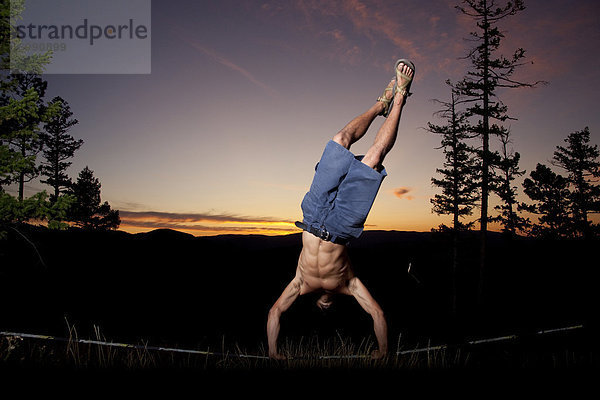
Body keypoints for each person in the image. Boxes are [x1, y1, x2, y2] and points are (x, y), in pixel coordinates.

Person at [267, 59, 415, 360]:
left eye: (321, 306)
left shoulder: (300, 284)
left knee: (339, 140)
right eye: (329, 306)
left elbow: (274, 313)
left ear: (315, 302)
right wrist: (383, 351)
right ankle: (400, 95)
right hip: (342, 226)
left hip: (312, 216)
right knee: (373, 158)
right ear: (334, 301)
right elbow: (377, 313)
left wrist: (273, 352)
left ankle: (379, 105)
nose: (325, 304)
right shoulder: (349, 284)